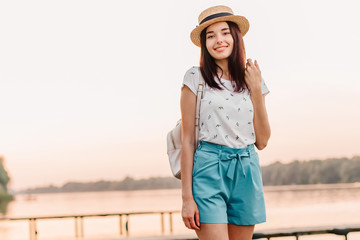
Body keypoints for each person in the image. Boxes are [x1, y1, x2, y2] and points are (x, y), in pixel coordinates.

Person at [180, 5, 271, 240]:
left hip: (246, 167)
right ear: (204, 44)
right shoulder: (195, 77)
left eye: (224, 32)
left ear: (235, 37)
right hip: (209, 167)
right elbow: (188, 140)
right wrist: (187, 198)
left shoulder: (253, 77)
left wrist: (256, 89)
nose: (218, 40)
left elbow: (262, 140)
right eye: (210, 36)